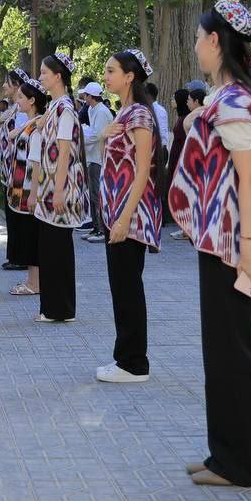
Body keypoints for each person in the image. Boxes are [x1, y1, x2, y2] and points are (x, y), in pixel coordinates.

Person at [168, 0, 251, 488]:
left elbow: (249, 177)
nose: (195, 46)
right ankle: (224, 455)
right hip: (223, 240)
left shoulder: (234, 102)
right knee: (222, 350)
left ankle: (243, 465)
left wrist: (249, 246)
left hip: (234, 243)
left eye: (198, 38)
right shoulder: (229, 97)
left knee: (232, 351)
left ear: (215, 41)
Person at [97, 49, 162, 383]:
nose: (106, 76)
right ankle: (125, 358)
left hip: (130, 216)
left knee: (127, 289)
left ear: (130, 76)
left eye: (111, 70)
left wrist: (124, 219)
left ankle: (134, 363)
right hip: (116, 213)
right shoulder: (123, 113)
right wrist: (103, 136)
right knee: (121, 288)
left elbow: (142, 171)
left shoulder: (139, 115)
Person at [33, 52, 91, 323]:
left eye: (44, 72)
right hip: (51, 187)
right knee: (52, 248)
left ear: (58, 76)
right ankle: (56, 308)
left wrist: (58, 191)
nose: (40, 77)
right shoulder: (56, 106)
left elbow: (65, 152)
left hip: (60, 188)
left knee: (56, 250)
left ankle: (58, 309)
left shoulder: (65, 109)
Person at [5, 71, 45, 297]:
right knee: (29, 235)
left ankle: (35, 283)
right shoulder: (32, 123)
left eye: (21, 97)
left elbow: (36, 161)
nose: (16, 100)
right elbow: (12, 136)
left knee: (32, 237)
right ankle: (33, 280)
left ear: (32, 100)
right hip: (20, 188)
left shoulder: (38, 126)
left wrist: (33, 194)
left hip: (29, 189)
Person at [0, 71, 30, 272]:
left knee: (18, 214)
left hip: (18, 172)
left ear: (17, 84)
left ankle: (21, 257)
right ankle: (15, 255)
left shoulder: (23, 111)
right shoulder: (14, 109)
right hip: (9, 173)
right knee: (12, 215)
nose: (4, 87)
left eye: (7, 83)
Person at [80, 82, 112, 243]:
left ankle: (102, 229)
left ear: (91, 96)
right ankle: (95, 226)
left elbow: (97, 135)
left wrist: (80, 139)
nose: (83, 97)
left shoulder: (101, 111)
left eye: (85, 95)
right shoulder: (92, 110)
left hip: (99, 158)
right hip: (92, 157)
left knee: (97, 195)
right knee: (92, 194)